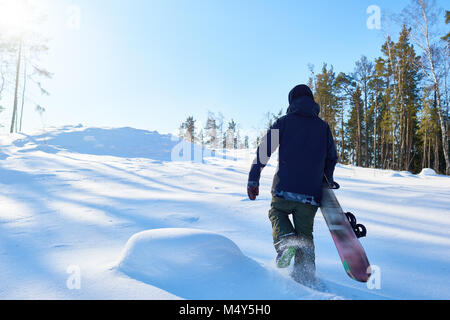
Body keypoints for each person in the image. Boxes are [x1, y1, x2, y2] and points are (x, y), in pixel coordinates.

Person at [247, 84, 338, 285]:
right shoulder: (323, 127)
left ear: (291, 102)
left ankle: (286, 240)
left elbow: (264, 150)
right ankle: (305, 277)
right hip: (310, 196)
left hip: (284, 189)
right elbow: (332, 158)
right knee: (305, 237)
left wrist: (253, 179)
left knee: (276, 213)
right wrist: (326, 179)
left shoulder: (284, 122)